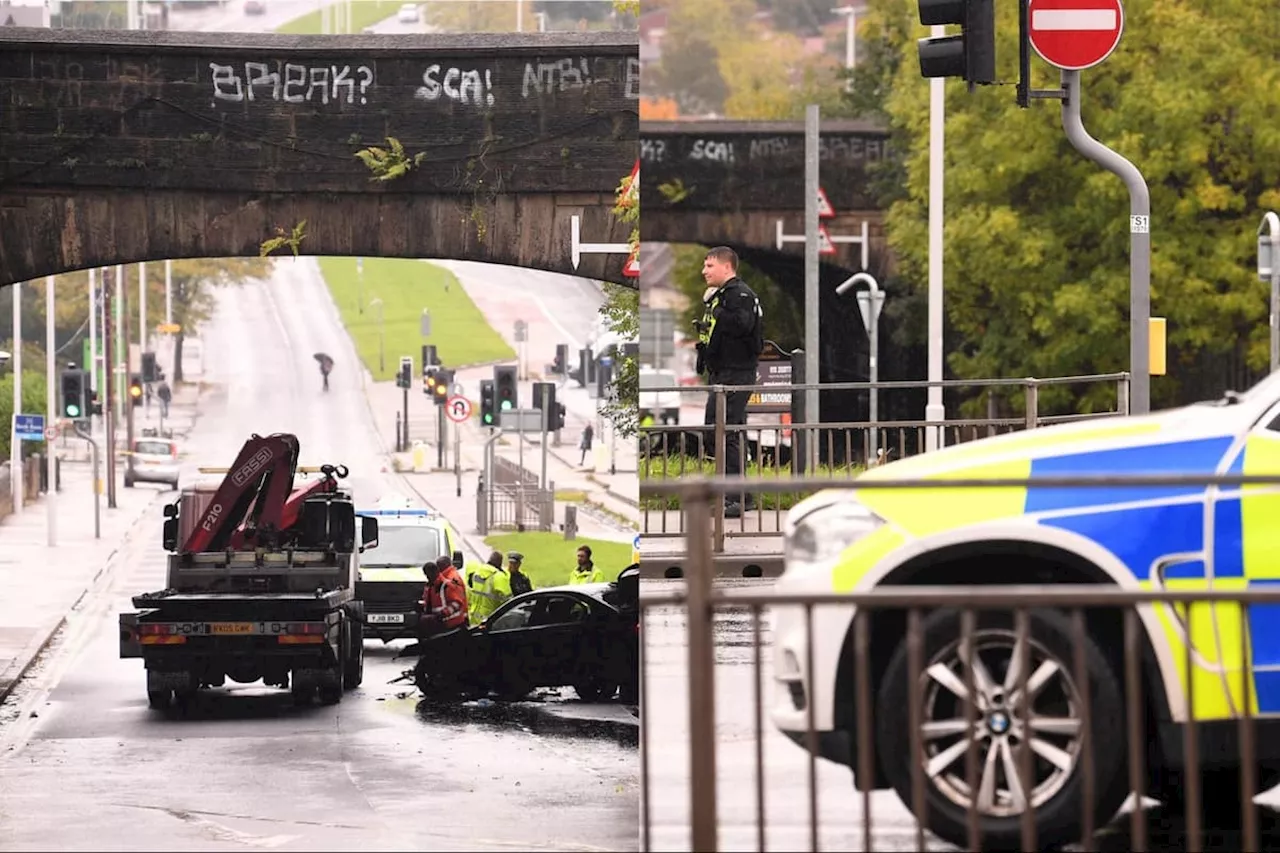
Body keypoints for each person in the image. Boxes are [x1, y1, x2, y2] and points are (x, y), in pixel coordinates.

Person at [695, 246, 764, 517]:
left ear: (727, 267)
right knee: (720, 431)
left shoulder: (739, 295)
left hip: (736, 373)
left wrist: (720, 309)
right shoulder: (724, 296)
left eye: (709, 266)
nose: (704, 271)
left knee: (726, 432)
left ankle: (735, 498)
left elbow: (742, 325)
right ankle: (739, 494)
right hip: (723, 372)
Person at [419, 555, 468, 636]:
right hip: (440, 625)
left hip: (451, 625)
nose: (427, 577)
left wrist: (442, 614)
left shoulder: (448, 583)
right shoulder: (432, 585)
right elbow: (433, 603)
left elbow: (457, 603)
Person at [466, 549, 512, 625]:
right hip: (491, 620)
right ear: (500, 563)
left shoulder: (477, 572)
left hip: (474, 617)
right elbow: (508, 600)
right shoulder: (499, 577)